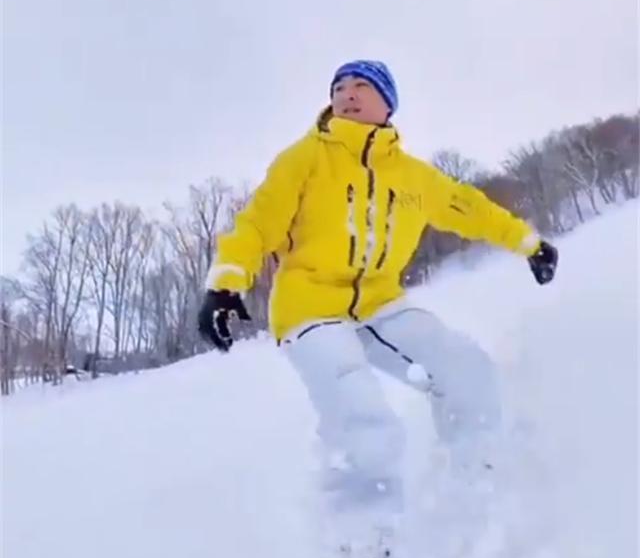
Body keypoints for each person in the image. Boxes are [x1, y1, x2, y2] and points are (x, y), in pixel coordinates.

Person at [197, 60, 558, 524]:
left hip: (381, 305)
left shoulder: (412, 176)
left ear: (388, 103)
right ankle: (364, 552)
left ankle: (477, 494)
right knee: (364, 416)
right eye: (339, 87)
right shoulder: (304, 159)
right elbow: (257, 225)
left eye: (362, 85)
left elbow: (471, 210)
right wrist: (224, 284)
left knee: (465, 370)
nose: (347, 93)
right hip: (309, 307)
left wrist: (528, 243)